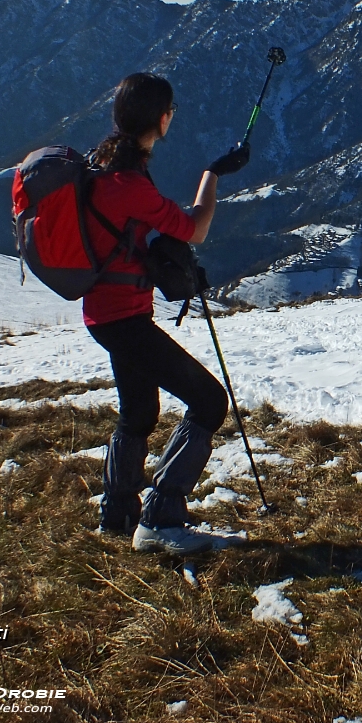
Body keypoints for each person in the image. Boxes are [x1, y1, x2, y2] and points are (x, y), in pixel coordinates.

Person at [83, 72, 249, 555]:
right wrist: (212, 175)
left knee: (139, 410)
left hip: (108, 313)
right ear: (161, 119)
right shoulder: (127, 181)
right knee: (209, 401)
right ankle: (160, 519)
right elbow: (193, 228)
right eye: (171, 110)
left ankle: (117, 513)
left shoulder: (102, 163)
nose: (173, 116)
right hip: (124, 320)